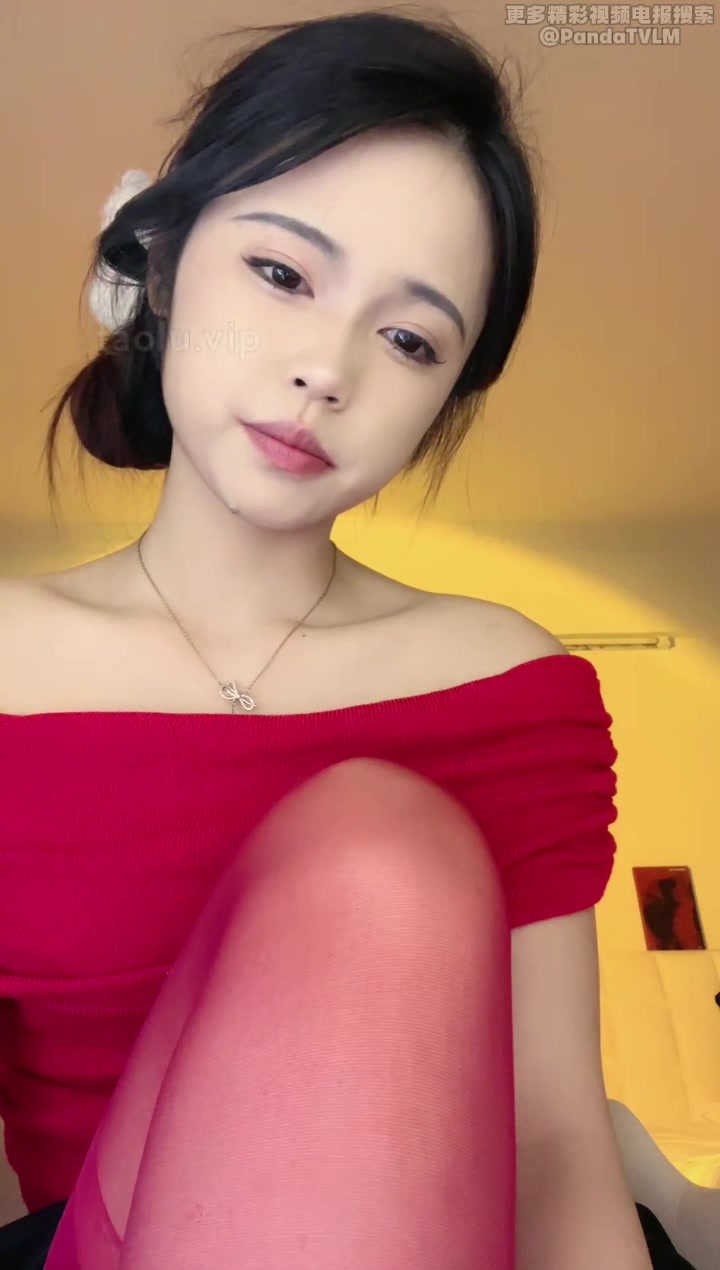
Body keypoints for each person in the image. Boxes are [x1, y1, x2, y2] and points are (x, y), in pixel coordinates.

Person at [0, 9, 660, 1268]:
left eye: (410, 339)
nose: (329, 370)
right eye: (284, 274)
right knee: (378, 852)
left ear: (442, 401)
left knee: (383, 851)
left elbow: (552, 1140)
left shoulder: (511, 684)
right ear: (161, 264)